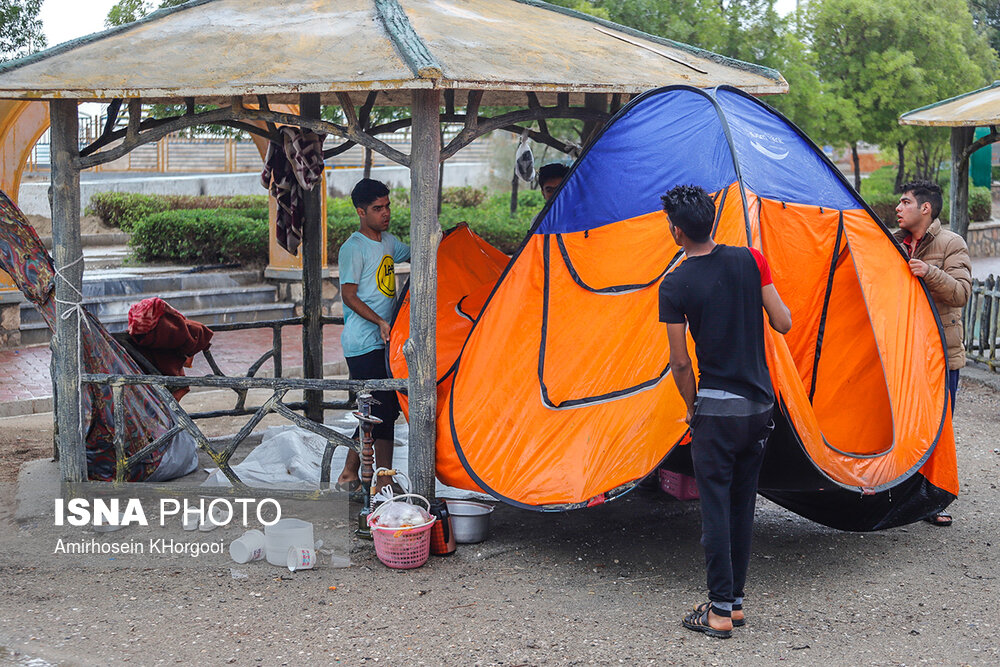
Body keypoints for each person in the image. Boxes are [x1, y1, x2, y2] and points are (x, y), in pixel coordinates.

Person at [658, 185, 791, 639]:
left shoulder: (674, 283)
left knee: (715, 510)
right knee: (741, 506)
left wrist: (692, 405)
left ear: (676, 231)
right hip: (759, 406)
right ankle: (732, 604)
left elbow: (679, 361)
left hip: (716, 411)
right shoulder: (751, 260)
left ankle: (717, 612)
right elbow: (784, 321)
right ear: (713, 221)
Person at [893, 179, 971, 528]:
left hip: (941, 353)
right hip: (903, 352)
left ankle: (933, 500)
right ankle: (899, 493)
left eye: (905, 202)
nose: (898, 207)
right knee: (903, 423)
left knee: (938, 429)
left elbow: (961, 292)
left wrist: (930, 272)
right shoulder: (893, 244)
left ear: (925, 208)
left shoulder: (950, 243)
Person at [336, 178, 410, 497]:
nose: (385, 213)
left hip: (384, 342)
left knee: (382, 412)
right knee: (378, 412)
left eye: (387, 206)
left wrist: (445, 236)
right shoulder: (353, 247)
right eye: (377, 208)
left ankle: (357, 473)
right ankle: (377, 477)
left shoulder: (390, 243)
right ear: (360, 212)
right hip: (362, 343)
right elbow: (348, 295)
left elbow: (423, 248)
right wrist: (380, 320)